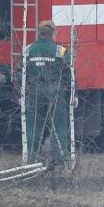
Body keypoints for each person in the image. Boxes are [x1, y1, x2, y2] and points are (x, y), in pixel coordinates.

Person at [24, 19, 71, 166]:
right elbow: (68, 73)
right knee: (59, 127)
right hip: (56, 91)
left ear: (39, 33)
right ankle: (59, 160)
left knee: (34, 127)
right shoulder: (61, 50)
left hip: (35, 91)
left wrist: (22, 90)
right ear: (53, 34)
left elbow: (21, 72)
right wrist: (72, 93)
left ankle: (32, 159)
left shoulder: (28, 49)